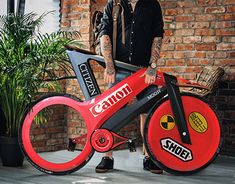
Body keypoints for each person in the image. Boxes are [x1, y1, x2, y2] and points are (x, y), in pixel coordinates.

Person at [95, 0, 164, 174]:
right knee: (110, 112)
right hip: (118, 68)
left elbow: (157, 36)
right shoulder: (113, 4)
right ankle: (107, 157)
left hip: (144, 71)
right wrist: (109, 65)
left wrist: (152, 66)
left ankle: (149, 157)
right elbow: (105, 34)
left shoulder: (152, 5)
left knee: (148, 114)